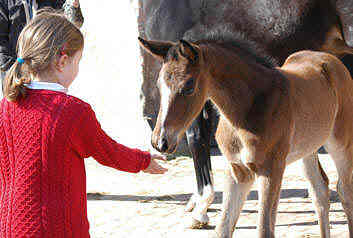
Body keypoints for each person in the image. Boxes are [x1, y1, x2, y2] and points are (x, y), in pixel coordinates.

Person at [0, 10, 167, 237]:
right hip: (59, 230)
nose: (77, 69)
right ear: (62, 61)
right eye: (77, 61)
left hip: (11, 228)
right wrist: (143, 161)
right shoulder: (73, 112)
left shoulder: (6, 107)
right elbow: (108, 152)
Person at [0, 0, 84, 96]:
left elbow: (73, 25)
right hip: (15, 69)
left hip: (47, 72)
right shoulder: (5, 3)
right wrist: (14, 67)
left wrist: (73, 6)